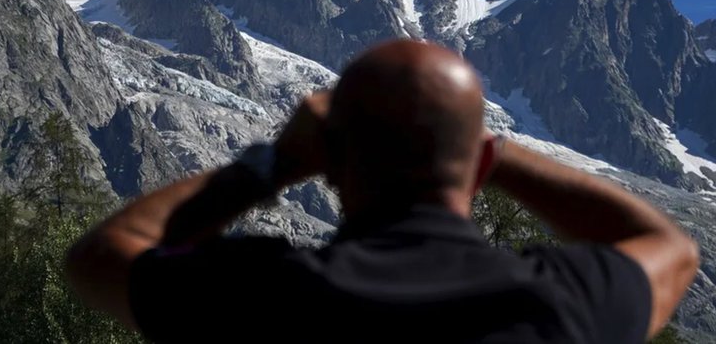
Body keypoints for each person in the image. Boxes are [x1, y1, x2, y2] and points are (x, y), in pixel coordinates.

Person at [66, 40, 699, 343]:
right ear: (478, 166)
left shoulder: (265, 295)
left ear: (333, 162)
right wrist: (484, 142)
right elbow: (669, 247)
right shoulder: (564, 301)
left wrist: (276, 162)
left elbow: (102, 256)